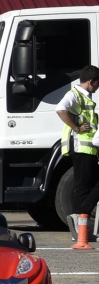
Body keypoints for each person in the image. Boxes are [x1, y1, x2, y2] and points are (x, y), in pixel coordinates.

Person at [56, 65, 99, 240]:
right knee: (82, 187)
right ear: (91, 81)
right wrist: (77, 128)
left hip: (87, 148)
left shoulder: (84, 97)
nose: (98, 88)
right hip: (81, 147)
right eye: (97, 84)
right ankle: (80, 221)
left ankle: (79, 228)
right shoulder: (75, 94)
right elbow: (60, 109)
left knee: (83, 187)